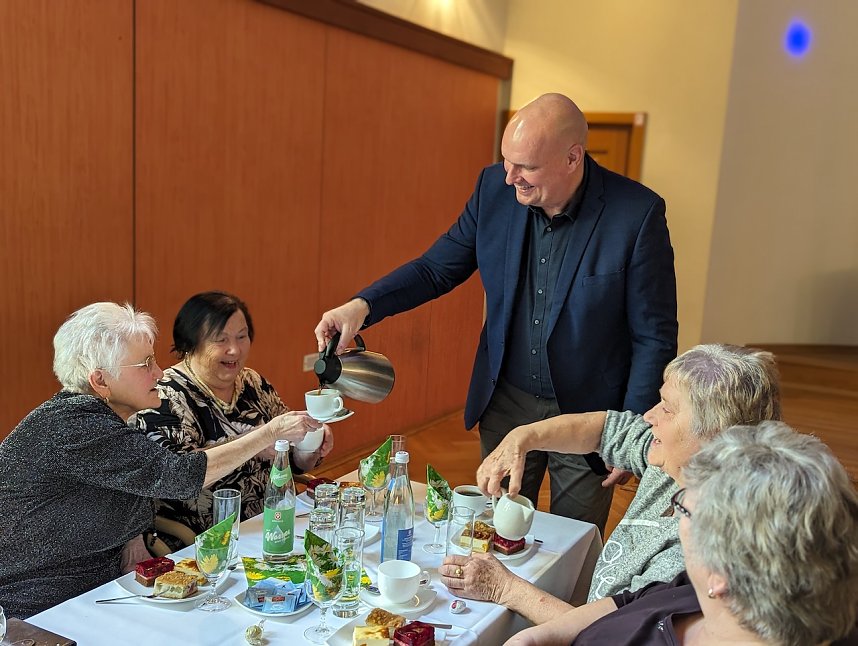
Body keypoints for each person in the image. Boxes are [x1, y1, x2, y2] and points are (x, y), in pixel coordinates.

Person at [315, 93, 677, 532]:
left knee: (574, 536)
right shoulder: (494, 190)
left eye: (525, 166)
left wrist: (633, 431)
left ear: (572, 158)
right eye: (506, 161)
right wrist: (363, 305)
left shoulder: (636, 214)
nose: (510, 178)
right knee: (495, 531)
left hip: (589, 413)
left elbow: (653, 335)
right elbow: (435, 269)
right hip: (508, 400)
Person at [0, 302, 323, 619]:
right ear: (100, 381)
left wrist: (132, 536)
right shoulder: (75, 426)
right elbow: (177, 477)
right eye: (145, 365)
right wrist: (269, 433)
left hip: (98, 582)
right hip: (41, 604)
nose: (159, 372)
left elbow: (128, 476)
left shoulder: (96, 417)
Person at [439, 344, 781, 624]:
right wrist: (523, 437)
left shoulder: (700, 545)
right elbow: (605, 429)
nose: (649, 416)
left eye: (668, 409)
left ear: (715, 435)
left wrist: (505, 589)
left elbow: (615, 631)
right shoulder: (678, 460)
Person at [503, 422, 858, 646]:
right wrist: (538, 637)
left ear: (722, 576)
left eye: (684, 508)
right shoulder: (700, 588)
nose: (676, 511)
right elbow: (631, 603)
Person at [133, 291, 334, 539]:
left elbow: (290, 462)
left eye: (242, 337)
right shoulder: (164, 397)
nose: (234, 350)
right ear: (190, 343)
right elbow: (180, 480)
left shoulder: (253, 382)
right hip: (207, 538)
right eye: (220, 340)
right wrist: (263, 436)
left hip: (272, 523)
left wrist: (310, 446)